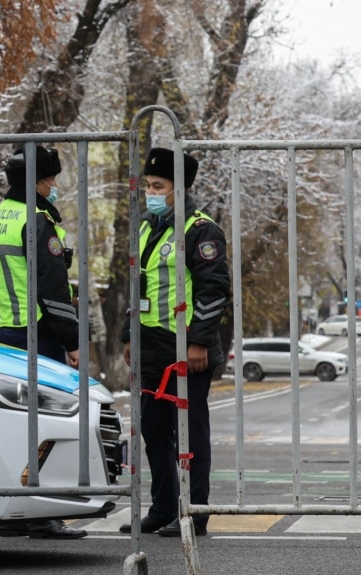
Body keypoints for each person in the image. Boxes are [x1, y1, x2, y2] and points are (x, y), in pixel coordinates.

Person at [118, 148, 231, 537]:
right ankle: (164, 507)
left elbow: (214, 290)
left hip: (187, 349)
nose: (150, 192)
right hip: (151, 346)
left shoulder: (201, 229)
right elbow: (137, 286)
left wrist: (198, 342)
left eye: (158, 186)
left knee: (191, 434)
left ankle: (195, 512)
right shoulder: (148, 225)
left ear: (179, 189)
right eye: (148, 185)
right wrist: (128, 335)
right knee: (153, 431)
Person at [0, 145, 86, 540]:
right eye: (50, 179)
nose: (54, 185)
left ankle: (13, 515)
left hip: (8, 329)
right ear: (36, 181)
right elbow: (53, 289)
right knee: (44, 423)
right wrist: (73, 342)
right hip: (40, 332)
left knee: (15, 423)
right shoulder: (37, 221)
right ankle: (39, 513)